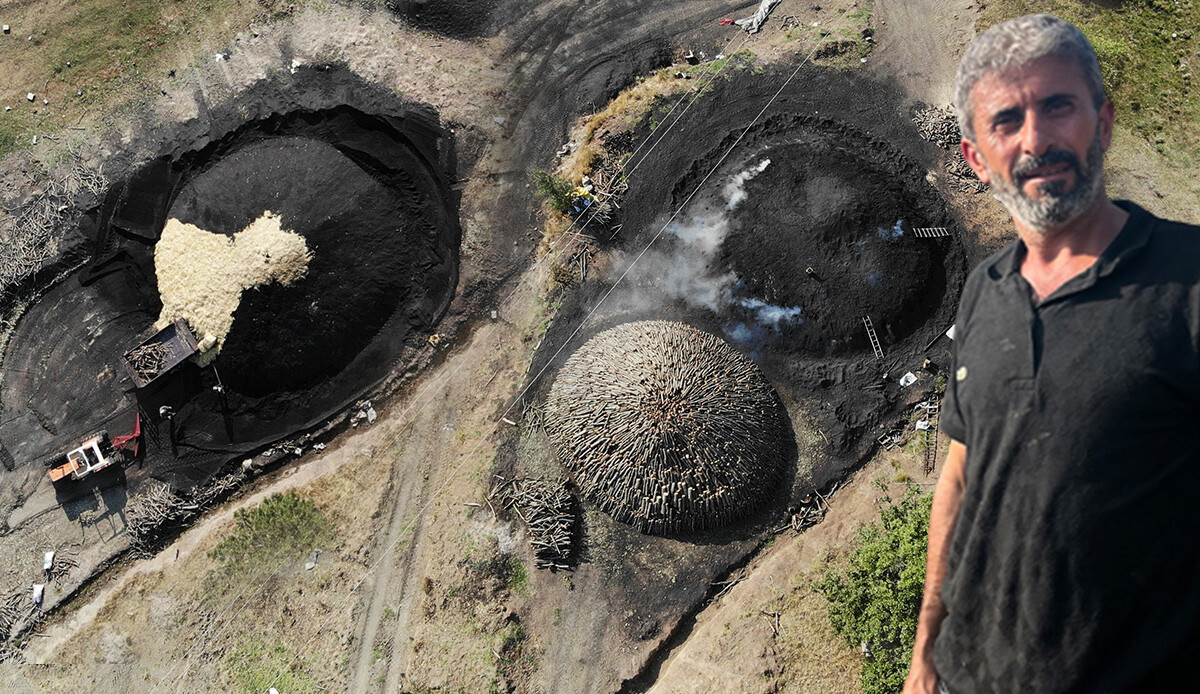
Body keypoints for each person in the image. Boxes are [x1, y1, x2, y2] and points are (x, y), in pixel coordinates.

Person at [904, 14, 1200, 694]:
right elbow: (959, 475)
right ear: (977, 158)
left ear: (1103, 121)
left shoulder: (1188, 280)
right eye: (1006, 120)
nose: (1036, 139)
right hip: (964, 676)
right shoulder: (984, 290)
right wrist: (926, 651)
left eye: (1057, 105)